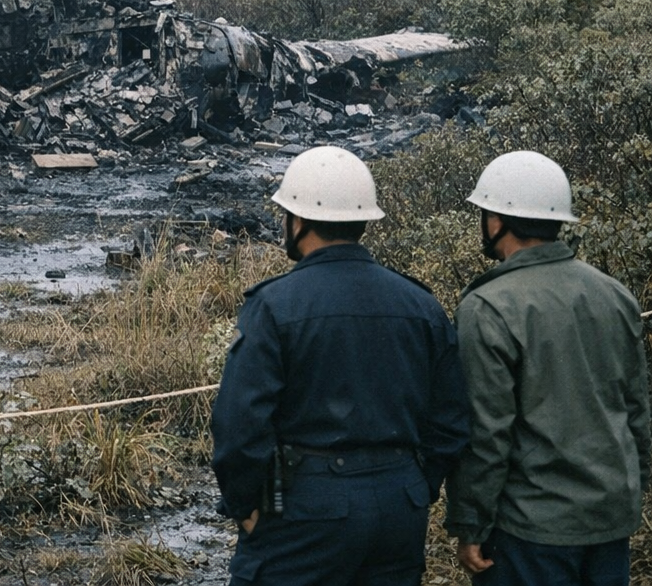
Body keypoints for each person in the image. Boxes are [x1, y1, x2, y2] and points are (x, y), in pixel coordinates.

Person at [212, 145, 469, 585]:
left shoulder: (274, 305)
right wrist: (416, 484)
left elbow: (239, 423)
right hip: (398, 506)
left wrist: (244, 505)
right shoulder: (421, 305)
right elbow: (451, 418)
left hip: (305, 506)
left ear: (299, 221)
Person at [445, 151, 650, 585]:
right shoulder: (614, 294)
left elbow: (487, 434)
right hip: (609, 517)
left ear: (497, 221)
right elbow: (636, 410)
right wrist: (635, 488)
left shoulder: (488, 307)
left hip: (530, 529)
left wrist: (471, 525)